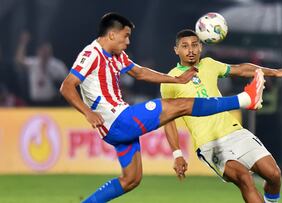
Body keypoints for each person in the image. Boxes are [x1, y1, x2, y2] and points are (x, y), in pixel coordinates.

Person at [60, 12, 266, 203]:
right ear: (112, 35)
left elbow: (140, 73)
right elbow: (67, 86)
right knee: (182, 105)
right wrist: (88, 112)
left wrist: (176, 80)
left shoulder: (117, 55)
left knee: (131, 179)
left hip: (117, 127)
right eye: (126, 36)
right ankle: (245, 99)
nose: (128, 41)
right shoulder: (91, 54)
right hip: (118, 120)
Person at [160, 29, 282, 203]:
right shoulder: (170, 79)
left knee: (274, 175)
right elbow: (167, 119)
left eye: (194, 45)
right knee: (244, 178)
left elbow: (241, 69)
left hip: (235, 132)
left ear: (201, 47)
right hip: (209, 143)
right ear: (176, 50)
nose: (190, 50)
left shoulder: (209, 64)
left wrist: (272, 72)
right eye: (184, 46)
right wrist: (177, 154)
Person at [15, 31, 68, 106]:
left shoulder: (57, 65)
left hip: (52, 102)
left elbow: (68, 81)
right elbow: (19, 61)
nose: (44, 52)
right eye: (42, 50)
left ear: (50, 51)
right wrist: (23, 43)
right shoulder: (33, 63)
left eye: (46, 50)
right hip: (35, 102)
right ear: (38, 51)